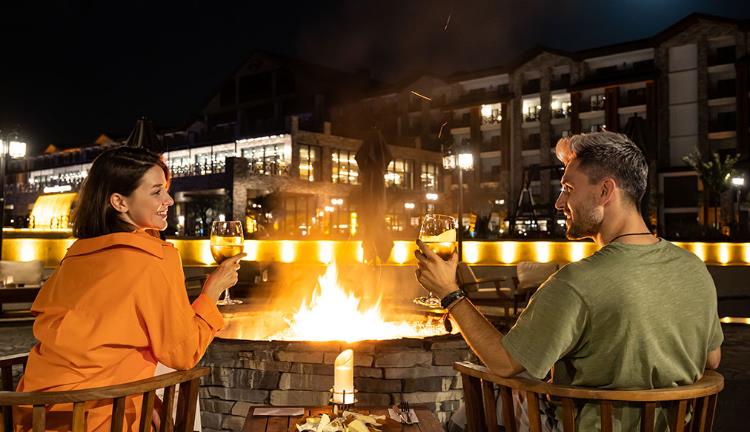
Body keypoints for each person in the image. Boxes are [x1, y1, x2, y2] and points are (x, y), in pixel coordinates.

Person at [415, 132, 723, 431]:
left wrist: (450, 293)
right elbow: (712, 359)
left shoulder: (577, 282)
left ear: (605, 191)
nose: (559, 202)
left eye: (568, 188)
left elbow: (503, 363)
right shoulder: (694, 268)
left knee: (490, 391)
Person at [15, 146, 245, 431]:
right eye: (156, 192)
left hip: (34, 414)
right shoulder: (153, 258)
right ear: (119, 202)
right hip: (102, 417)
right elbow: (183, 352)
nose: (169, 200)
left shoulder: (76, 254)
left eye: (166, 190)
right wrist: (212, 291)